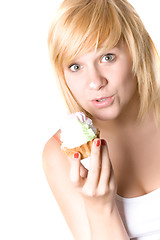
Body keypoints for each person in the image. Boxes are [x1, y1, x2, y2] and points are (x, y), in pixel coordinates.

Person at [42, 0, 160, 239]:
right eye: (75, 66)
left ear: (138, 51)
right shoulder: (61, 153)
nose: (95, 82)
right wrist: (101, 208)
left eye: (107, 57)